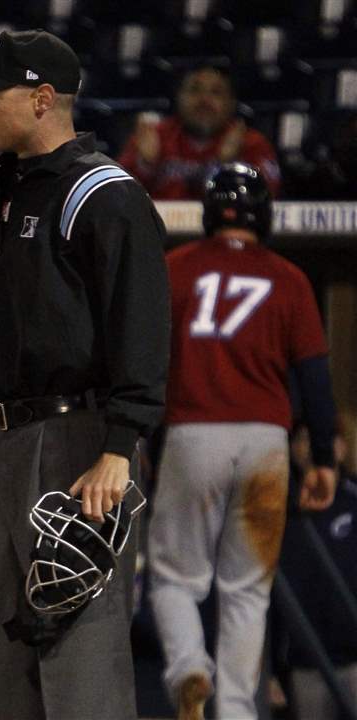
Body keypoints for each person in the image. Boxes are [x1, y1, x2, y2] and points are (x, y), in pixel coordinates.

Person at [0, 29, 170, 720]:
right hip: (2, 440)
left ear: (42, 99)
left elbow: (142, 326)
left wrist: (120, 445)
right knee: (2, 657)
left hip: (78, 442)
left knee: (80, 648)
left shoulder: (105, 194)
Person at [147, 162, 338, 720]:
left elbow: (146, 365)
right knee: (248, 590)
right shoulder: (290, 277)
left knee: (175, 578)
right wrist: (323, 456)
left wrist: (141, 441)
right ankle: (236, 711)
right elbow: (315, 379)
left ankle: (188, 669)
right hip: (266, 442)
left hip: (193, 432)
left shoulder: (174, 269)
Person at [279, 414, 357, 720]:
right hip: (304, 662)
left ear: (340, 447)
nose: (310, 447)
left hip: (354, 658)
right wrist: (273, 669)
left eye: (320, 438)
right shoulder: (282, 509)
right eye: (302, 439)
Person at [117, 65, 281, 200]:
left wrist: (225, 167)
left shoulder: (251, 143)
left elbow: (267, 199)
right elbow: (118, 196)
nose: (204, 100)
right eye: (194, 90)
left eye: (216, 92)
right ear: (178, 98)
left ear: (231, 103)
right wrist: (145, 166)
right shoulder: (154, 137)